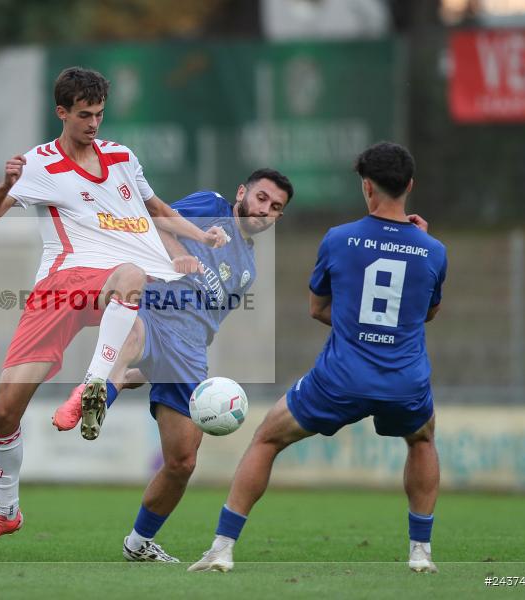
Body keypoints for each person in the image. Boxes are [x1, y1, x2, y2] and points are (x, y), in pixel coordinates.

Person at [0, 66, 226, 556]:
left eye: (100, 114)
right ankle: (6, 513)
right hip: (61, 285)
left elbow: (157, 209)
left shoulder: (123, 157)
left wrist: (199, 236)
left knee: (133, 275)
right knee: (4, 409)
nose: (93, 124)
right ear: (61, 112)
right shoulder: (40, 164)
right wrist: (4, 185)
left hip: (114, 280)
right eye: (84, 115)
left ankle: (93, 385)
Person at [188, 142, 446, 574]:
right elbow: (427, 313)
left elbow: (317, 308)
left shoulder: (339, 239)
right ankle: (420, 554)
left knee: (267, 439)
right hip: (404, 378)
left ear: (367, 187)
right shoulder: (433, 250)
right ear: (410, 186)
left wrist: (354, 327)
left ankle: (222, 549)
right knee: (421, 440)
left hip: (340, 378)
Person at [52, 168, 294, 562]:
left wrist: (147, 373)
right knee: (130, 336)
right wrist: (179, 253)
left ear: (279, 217)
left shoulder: (247, 269)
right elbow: (153, 222)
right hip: (157, 306)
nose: (264, 210)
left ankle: (138, 544)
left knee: (182, 461)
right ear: (242, 192)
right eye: (262, 198)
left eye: (275, 207)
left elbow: (210, 324)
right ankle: (95, 397)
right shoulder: (211, 206)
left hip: (189, 350)